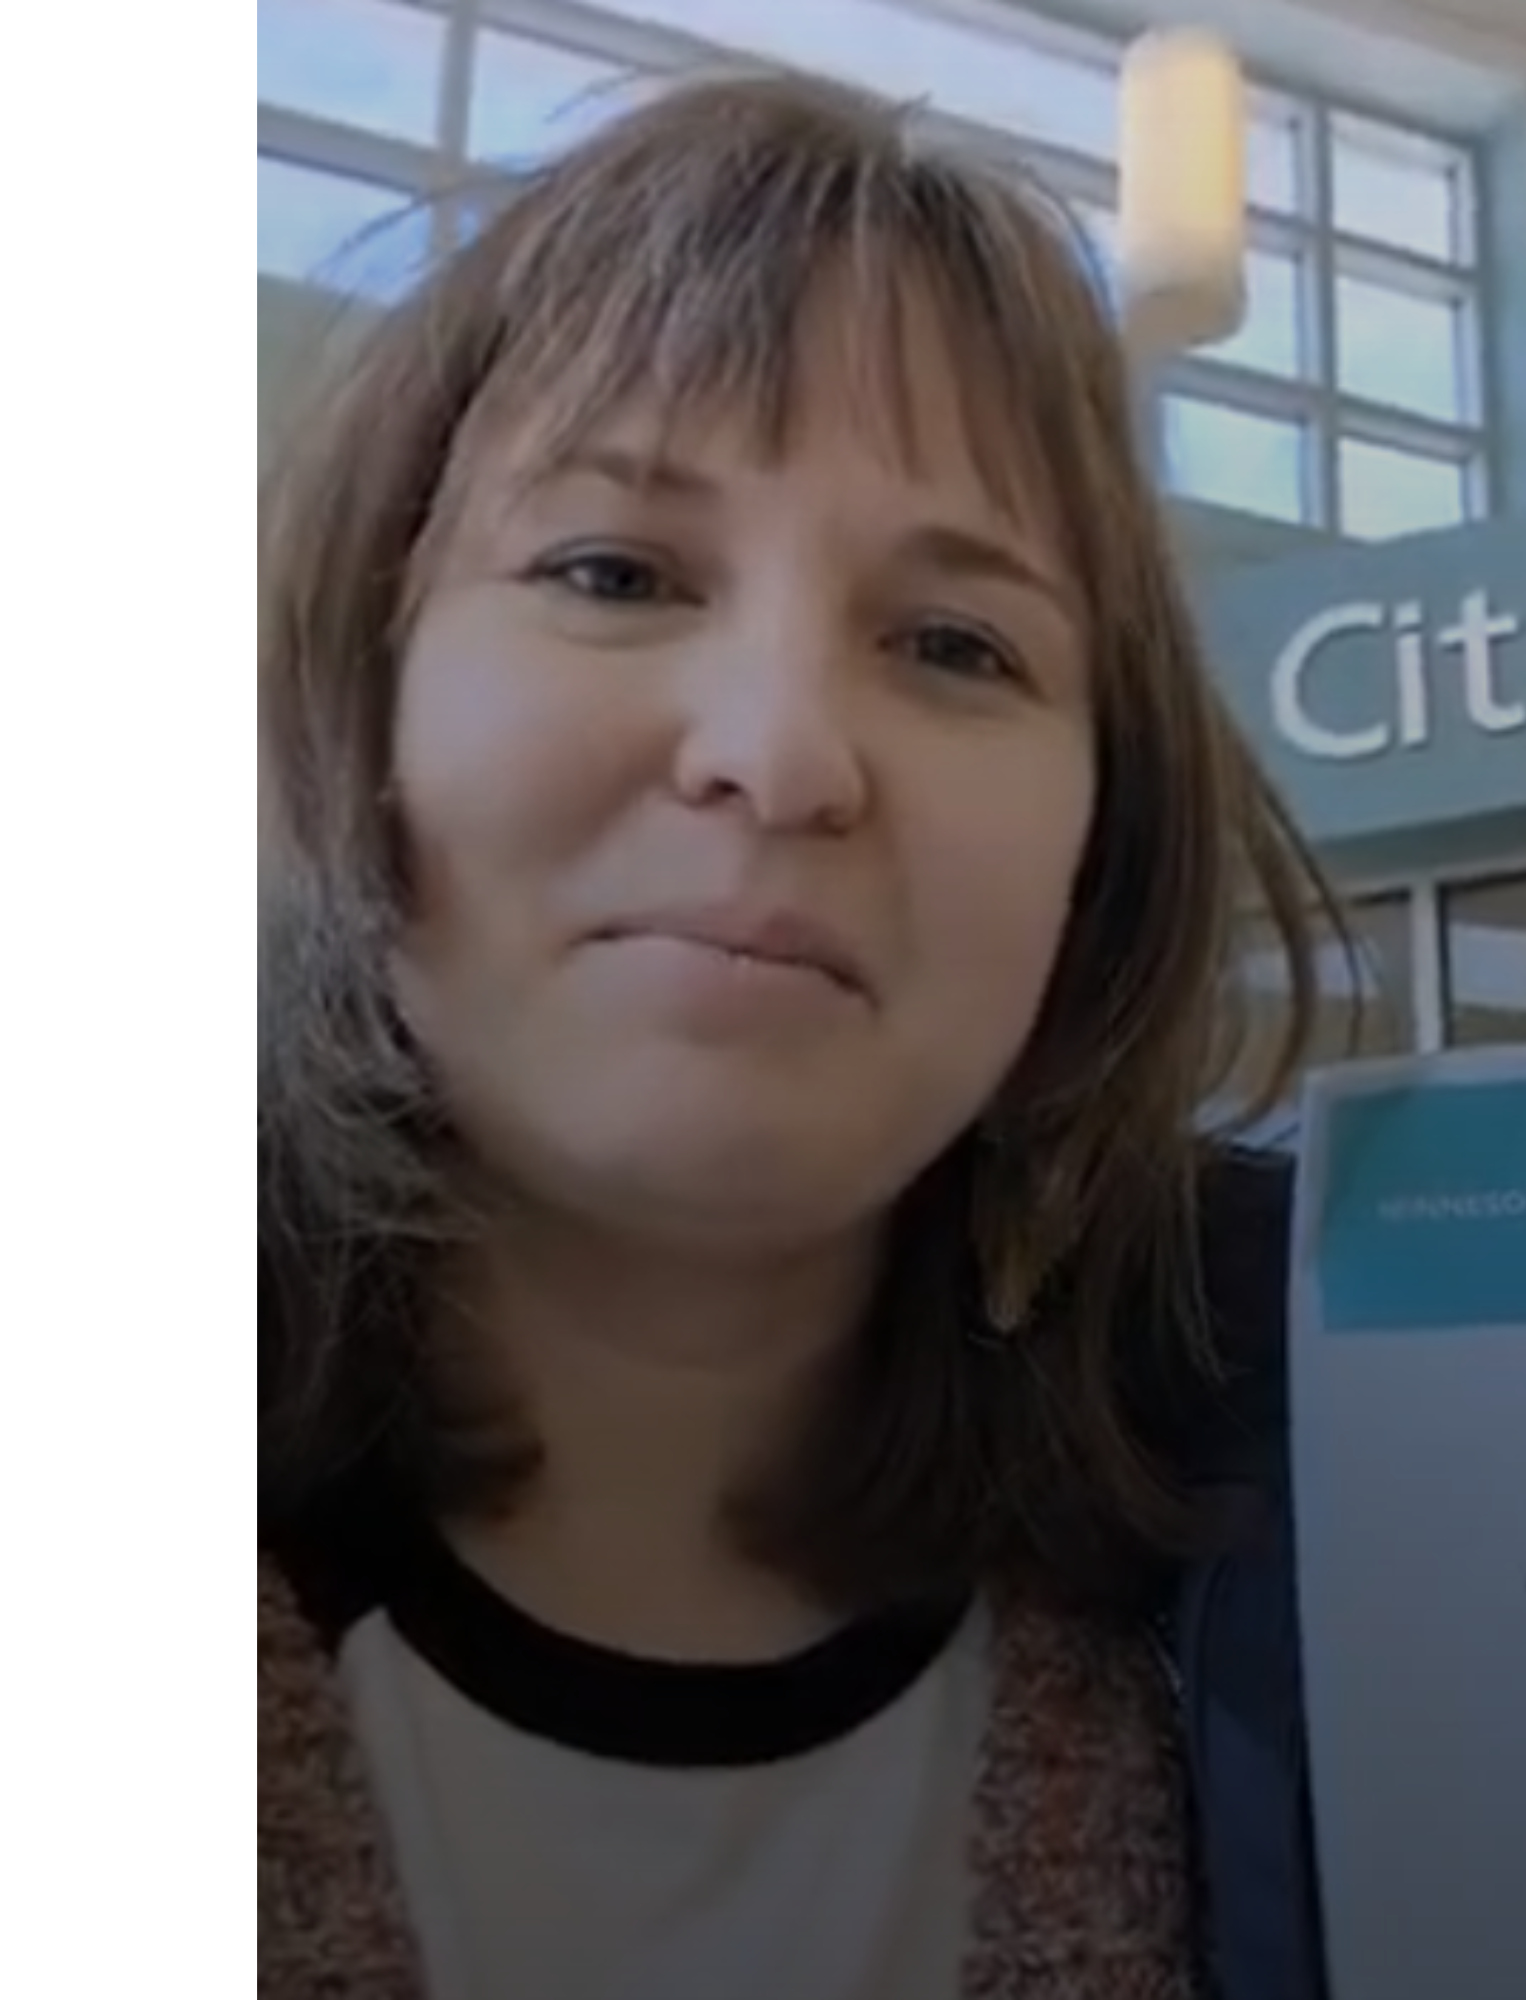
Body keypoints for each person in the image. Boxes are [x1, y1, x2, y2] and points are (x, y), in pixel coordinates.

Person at [259, 68, 1357, 2000]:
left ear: (1102, 858)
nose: (775, 758)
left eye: (956, 645)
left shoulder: (1340, 1566)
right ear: (366, 696)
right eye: (613, 573)